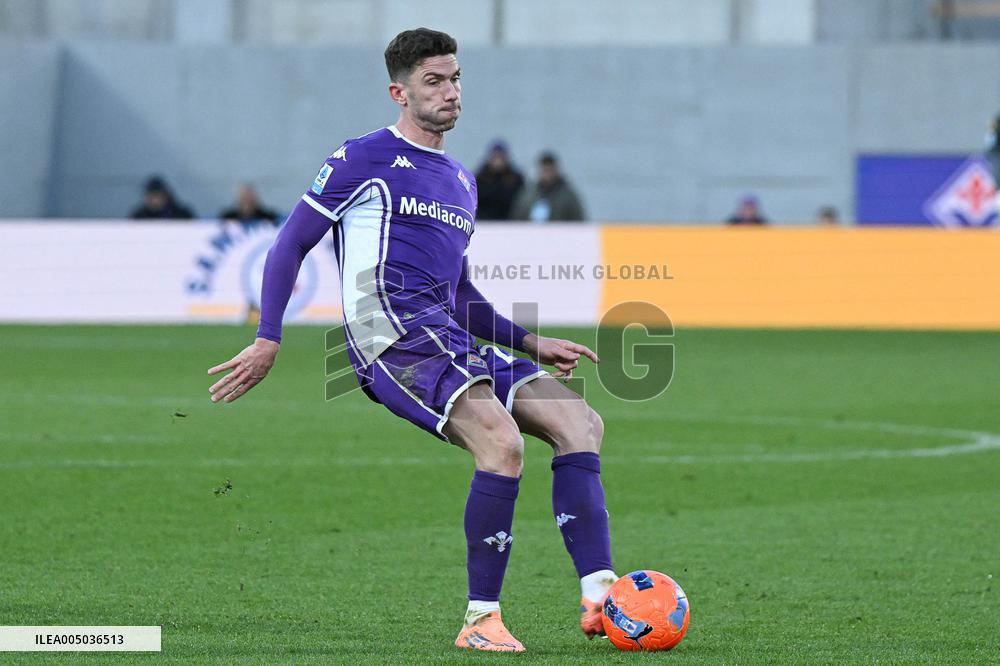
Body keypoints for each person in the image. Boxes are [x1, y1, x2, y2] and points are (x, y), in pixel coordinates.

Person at [206, 28, 617, 654]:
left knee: (579, 420)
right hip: (388, 337)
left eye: (454, 79)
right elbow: (290, 243)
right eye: (434, 81)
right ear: (400, 92)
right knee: (502, 444)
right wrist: (269, 336)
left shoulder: (462, 181)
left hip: (445, 331)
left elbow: (460, 297)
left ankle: (600, 596)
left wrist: (531, 341)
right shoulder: (362, 157)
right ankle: (481, 620)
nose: (450, 92)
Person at [510, 152, 585, 222]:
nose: (548, 175)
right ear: (539, 171)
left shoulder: (568, 196)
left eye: (550, 170)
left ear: (556, 171)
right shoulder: (528, 195)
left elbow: (578, 218)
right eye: (545, 171)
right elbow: (517, 217)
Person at [474, 140, 524, 220]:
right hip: (484, 221)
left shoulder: (515, 178)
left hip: (509, 220)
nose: (497, 162)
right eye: (495, 157)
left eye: (500, 157)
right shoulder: (480, 177)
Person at [129, 176, 195, 219]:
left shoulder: (182, 214)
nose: (152, 200)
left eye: (156, 196)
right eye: (149, 197)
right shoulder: (139, 216)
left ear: (165, 196)